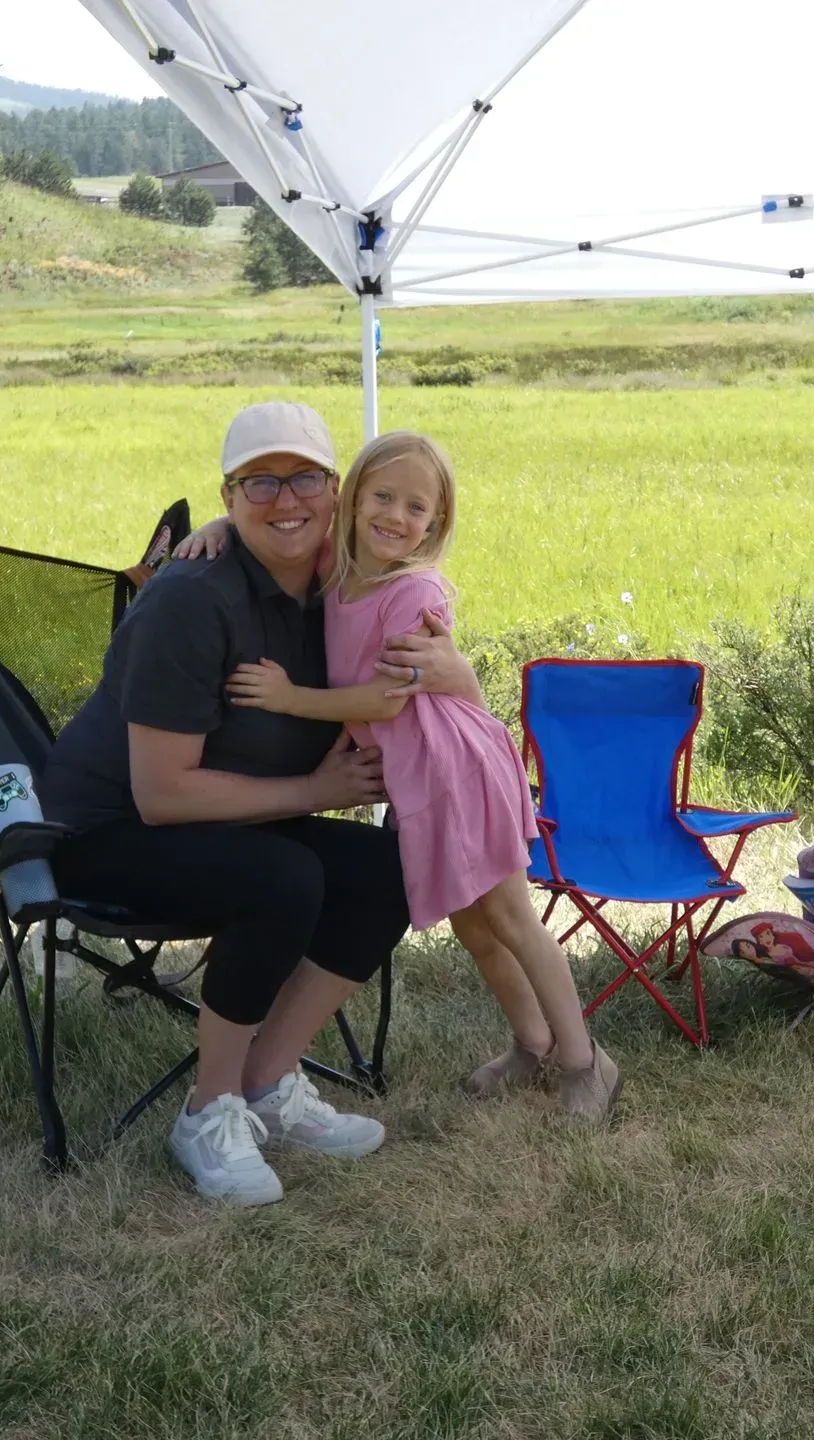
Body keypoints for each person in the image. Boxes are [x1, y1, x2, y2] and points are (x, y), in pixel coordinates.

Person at [39, 401, 480, 1206]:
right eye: (260, 482)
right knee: (283, 878)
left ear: (337, 492)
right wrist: (316, 790)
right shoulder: (190, 600)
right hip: (107, 833)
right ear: (231, 492)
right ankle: (209, 1111)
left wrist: (456, 674)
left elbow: (410, 668)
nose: (287, 500)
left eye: (304, 478)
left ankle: (269, 1080)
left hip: (237, 817)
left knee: (388, 868)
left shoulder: (340, 585)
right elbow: (162, 794)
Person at [218, 431, 621, 1122]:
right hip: (418, 779)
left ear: (436, 522)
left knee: (509, 915)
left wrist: (290, 699)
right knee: (472, 925)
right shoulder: (336, 573)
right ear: (350, 501)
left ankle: (585, 1063)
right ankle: (532, 1043)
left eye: (416, 508)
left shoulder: (414, 593)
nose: (395, 518)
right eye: (382, 497)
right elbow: (270, 527)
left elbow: (382, 700)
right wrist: (217, 528)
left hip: (459, 770)